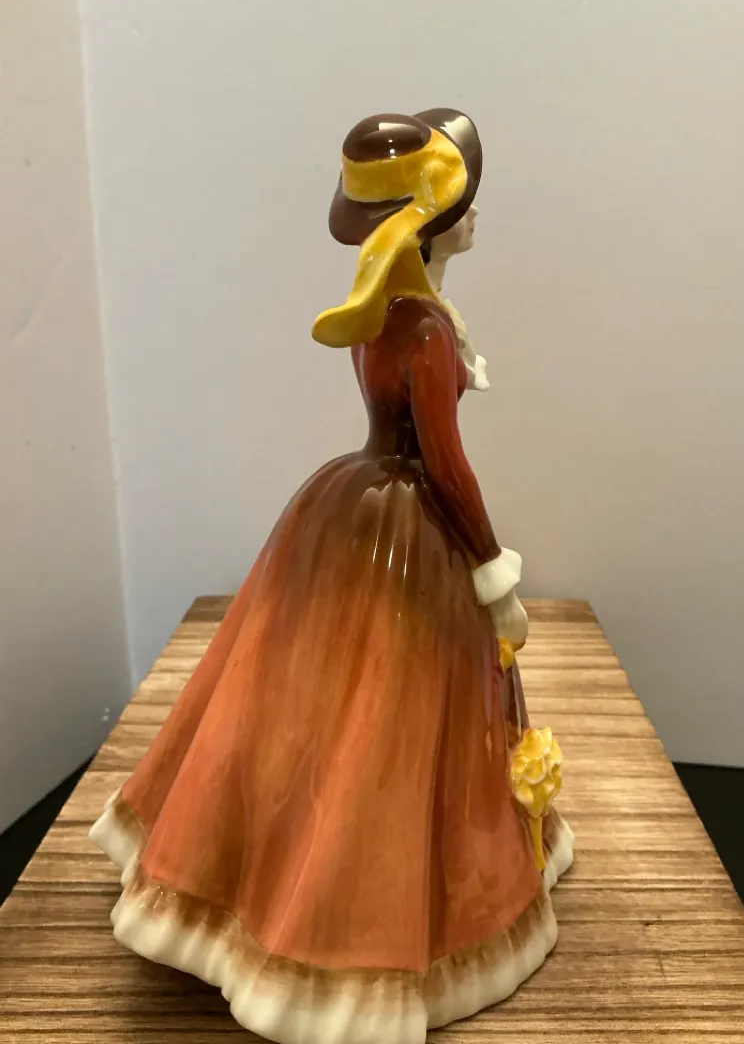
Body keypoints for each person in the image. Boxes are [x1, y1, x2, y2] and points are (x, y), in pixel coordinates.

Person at [91, 108, 573, 1044]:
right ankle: (358, 920)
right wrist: (490, 568)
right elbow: (448, 467)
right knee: (396, 716)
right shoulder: (421, 328)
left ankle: (281, 866)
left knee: (326, 703)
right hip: (413, 525)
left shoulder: (383, 309)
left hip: (353, 503)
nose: (480, 216)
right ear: (435, 220)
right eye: (469, 201)